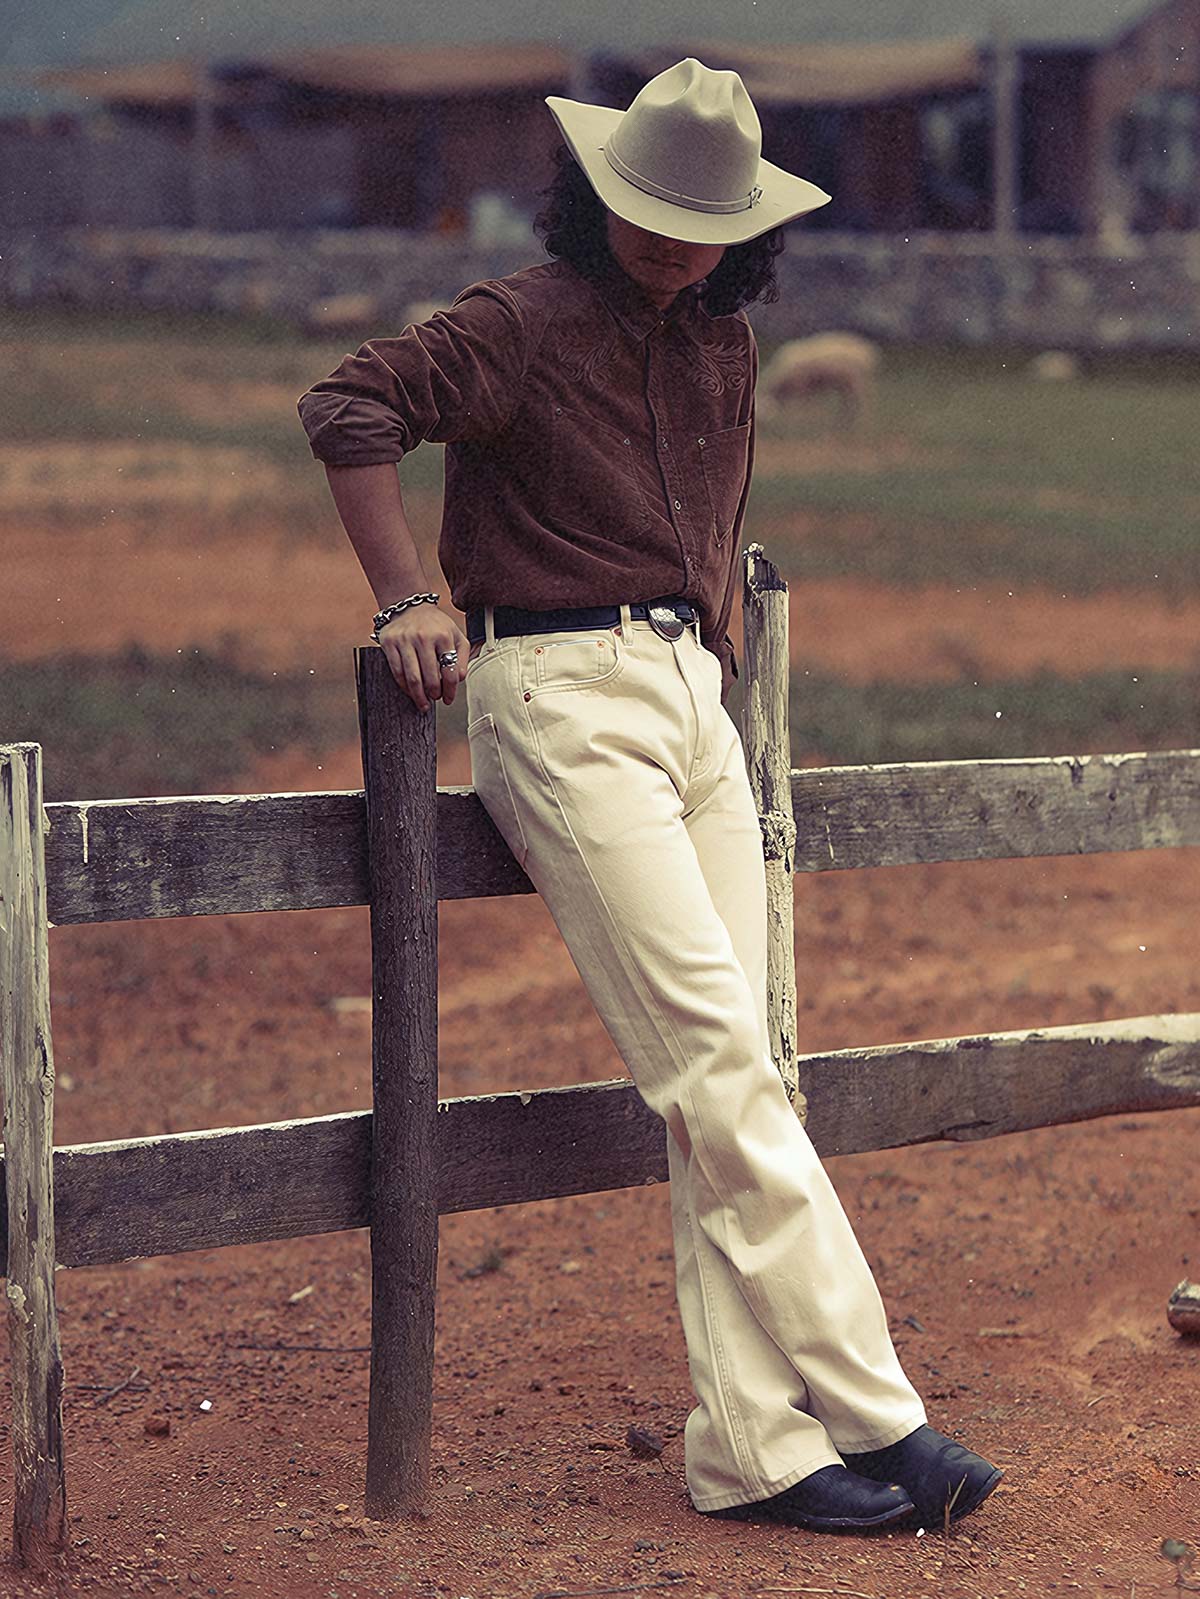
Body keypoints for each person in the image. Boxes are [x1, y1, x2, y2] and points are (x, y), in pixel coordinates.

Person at [298, 57, 1003, 1534]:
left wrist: (713, 658)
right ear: (596, 195)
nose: (677, 246)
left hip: (693, 702)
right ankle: (886, 1414)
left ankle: (751, 1450)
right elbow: (352, 403)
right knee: (717, 1066)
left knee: (736, 1077)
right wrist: (407, 596)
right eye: (652, 214)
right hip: (560, 696)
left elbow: (713, 522)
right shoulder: (520, 321)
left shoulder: (724, 345)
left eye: (705, 224)